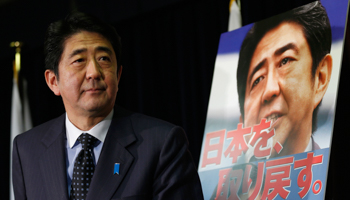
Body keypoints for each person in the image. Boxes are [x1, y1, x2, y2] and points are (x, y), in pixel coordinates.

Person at [12, 12, 204, 200]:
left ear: (118, 75)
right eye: (79, 61)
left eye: (103, 59)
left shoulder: (161, 143)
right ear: (53, 81)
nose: (94, 72)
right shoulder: (27, 150)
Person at [236, 1, 332, 160]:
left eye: (285, 61)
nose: (269, 90)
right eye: (258, 79)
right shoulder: (219, 185)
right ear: (242, 120)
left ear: (320, 78)